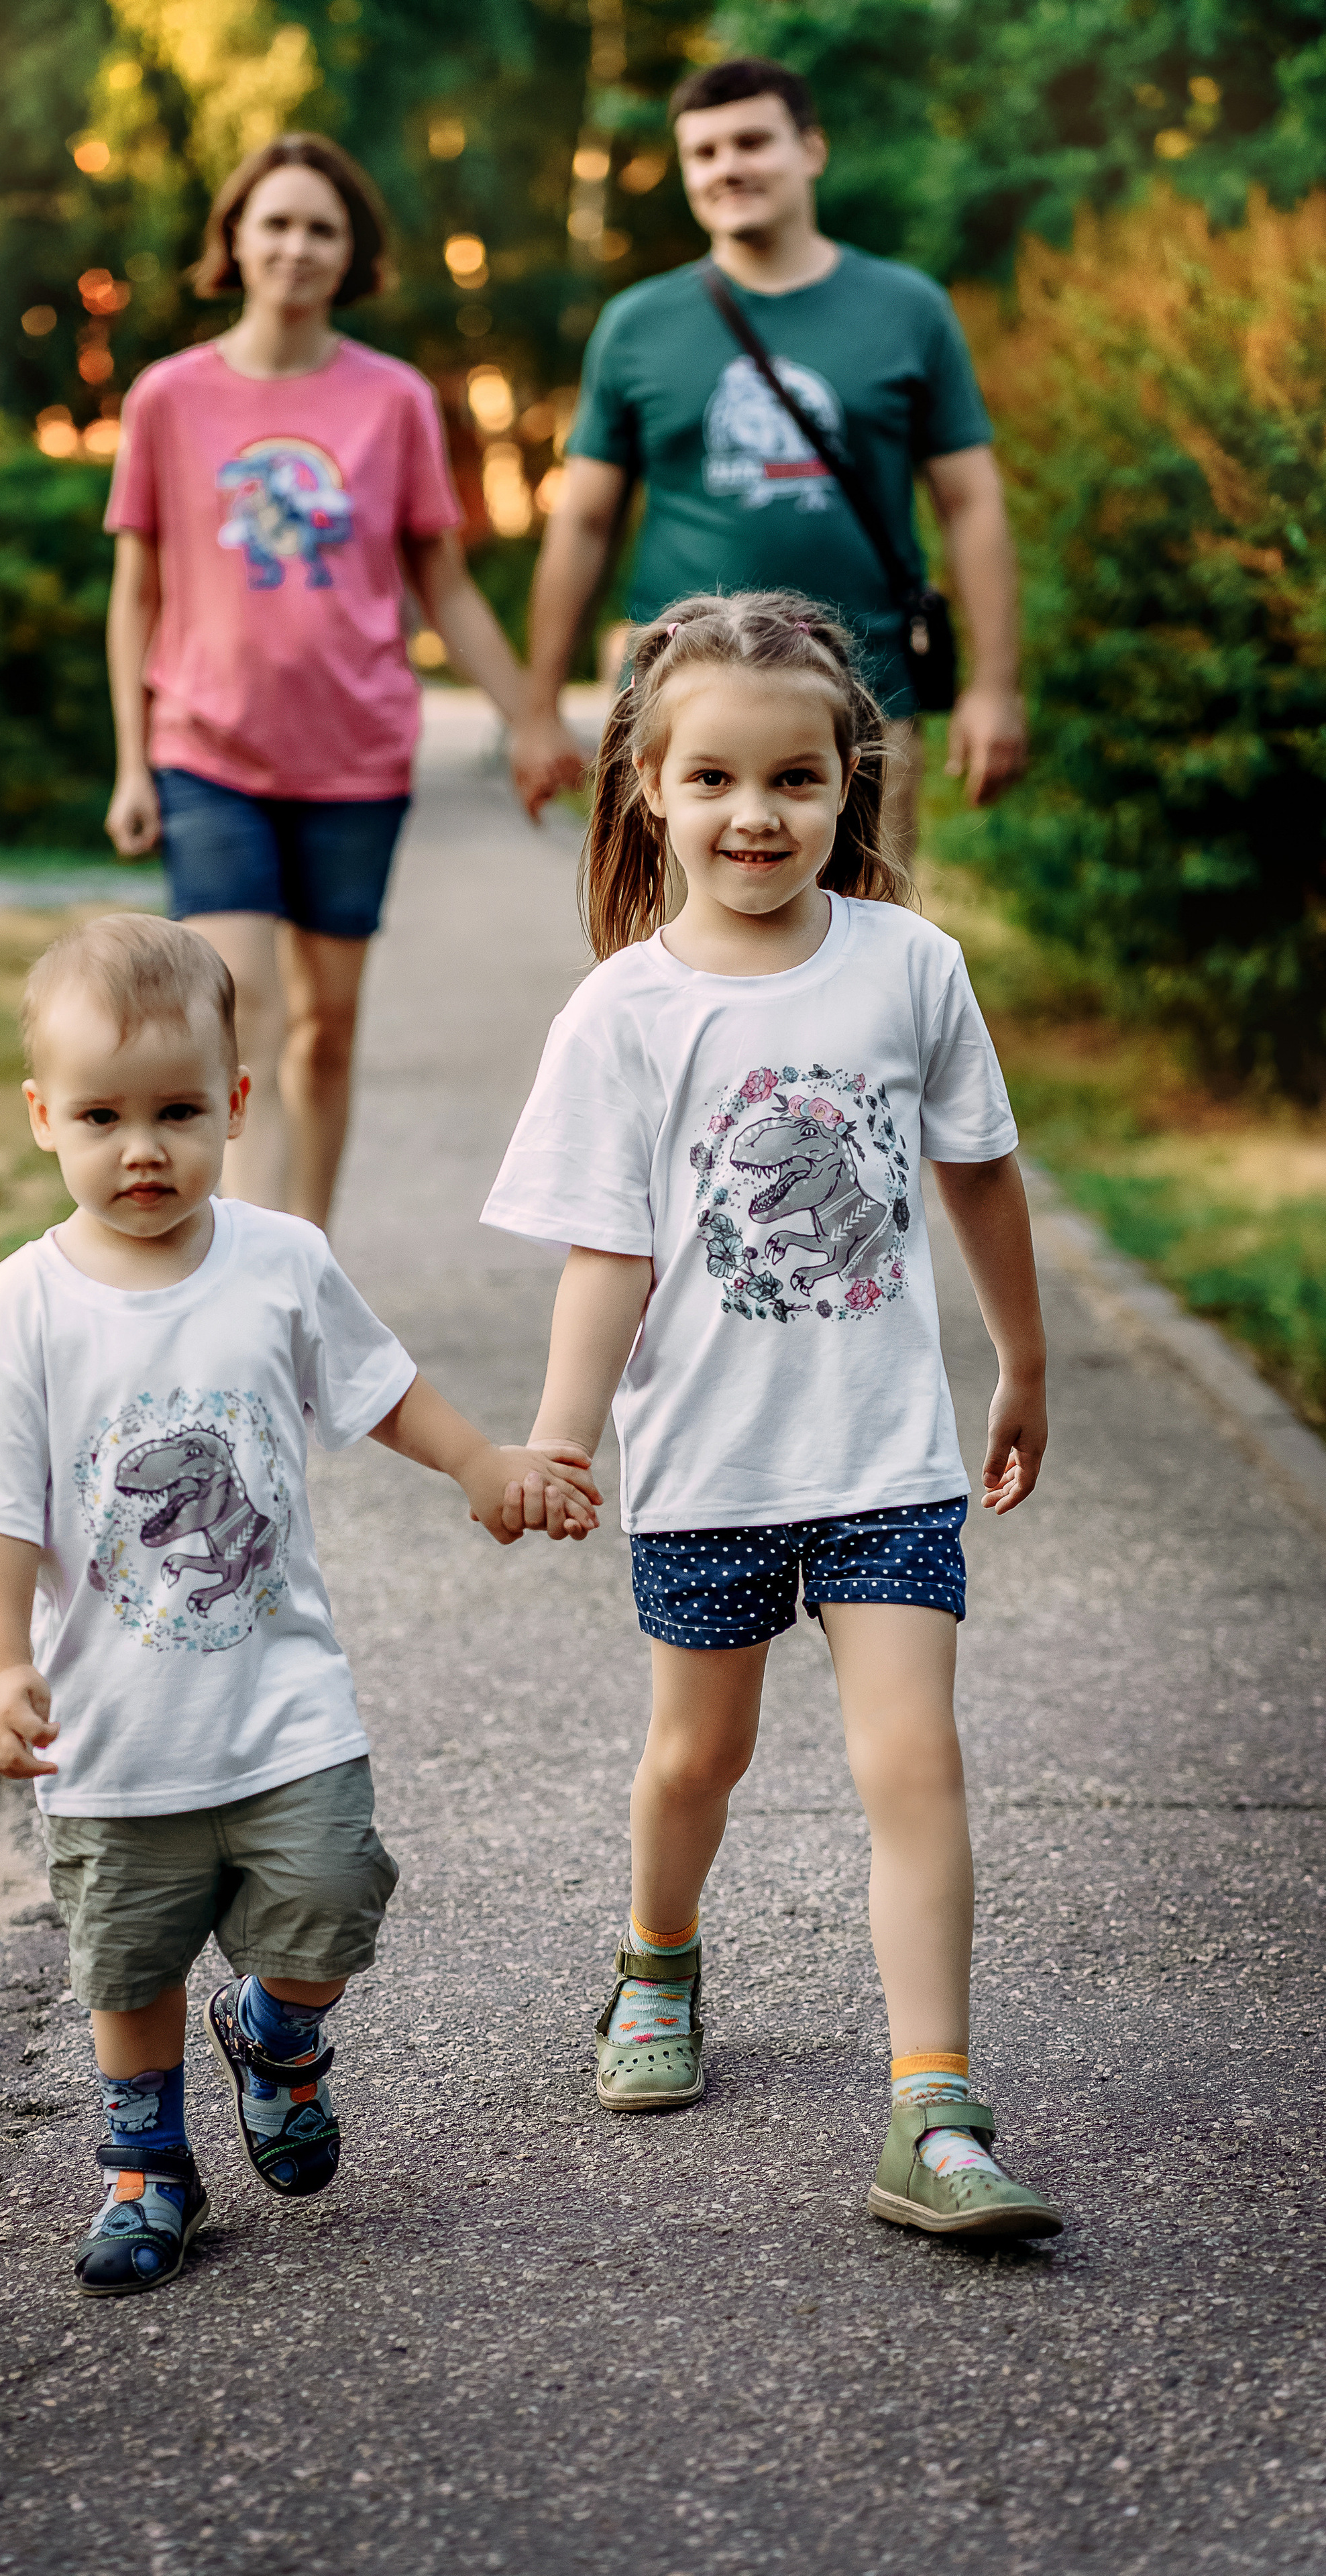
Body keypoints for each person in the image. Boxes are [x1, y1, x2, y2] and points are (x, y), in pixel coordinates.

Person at [0, 915, 598, 2296]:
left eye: (176, 1112)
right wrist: (2, 1662)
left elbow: (380, 1387)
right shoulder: (17, 1313)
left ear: (236, 1104)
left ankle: (274, 2031)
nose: (141, 1149)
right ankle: (146, 2168)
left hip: (283, 1707)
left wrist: (479, 1464)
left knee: (332, 1901)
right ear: (41, 1118)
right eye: (102, 1117)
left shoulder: (279, 1261)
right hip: (114, 1732)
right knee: (131, 1963)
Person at [484, 594, 1062, 2238]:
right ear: (648, 789)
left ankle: (930, 2105)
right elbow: (607, 1251)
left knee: (912, 1759)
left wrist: (1020, 1360)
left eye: (794, 779)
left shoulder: (908, 965)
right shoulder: (623, 1012)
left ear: (847, 781)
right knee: (699, 1754)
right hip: (708, 1465)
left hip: (884, 1457)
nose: (756, 815)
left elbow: (976, 1172)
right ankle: (656, 1958)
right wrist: (561, 1434)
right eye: (715, 780)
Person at [103, 133, 529, 1228]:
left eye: (321, 229)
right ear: (235, 240)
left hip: (356, 757)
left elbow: (445, 585)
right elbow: (137, 592)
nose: (296, 246)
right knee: (240, 1013)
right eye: (277, 223)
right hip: (208, 749)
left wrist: (531, 717)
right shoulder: (167, 398)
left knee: (326, 1029)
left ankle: (309, 1257)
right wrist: (133, 764)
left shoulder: (394, 400)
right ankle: (253, 1270)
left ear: (352, 255)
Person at [511, 56, 1027, 858]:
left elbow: (972, 503)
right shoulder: (636, 325)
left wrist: (994, 687)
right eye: (704, 152)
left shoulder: (907, 311)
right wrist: (538, 707)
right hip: (676, 711)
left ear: (811, 150)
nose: (727, 167)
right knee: (675, 940)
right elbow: (582, 521)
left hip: (863, 708)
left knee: (861, 932)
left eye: (752, 142)